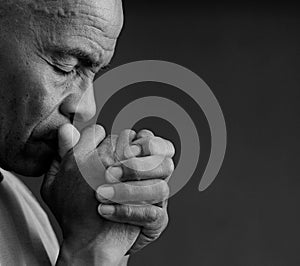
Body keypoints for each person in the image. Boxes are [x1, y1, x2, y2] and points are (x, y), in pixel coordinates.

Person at [0, 0, 175, 265]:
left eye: (93, 73)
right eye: (66, 67)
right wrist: (88, 253)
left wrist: (109, 238)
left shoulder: (20, 208)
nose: (86, 108)